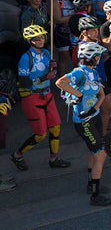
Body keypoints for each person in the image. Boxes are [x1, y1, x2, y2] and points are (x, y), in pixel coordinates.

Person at [55, 42, 111, 206]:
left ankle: (90, 184)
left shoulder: (93, 72)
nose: (99, 58)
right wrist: (78, 94)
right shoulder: (79, 72)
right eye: (97, 56)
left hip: (93, 116)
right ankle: (95, 195)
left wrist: (95, 107)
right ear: (91, 57)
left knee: (92, 152)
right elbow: (60, 82)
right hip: (83, 122)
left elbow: (100, 93)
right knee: (101, 155)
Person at [10, 25, 70, 172]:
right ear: (30, 41)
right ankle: (17, 155)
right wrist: (44, 76)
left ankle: (54, 159)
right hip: (31, 97)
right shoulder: (25, 59)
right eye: (37, 38)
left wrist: (54, 68)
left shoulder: (46, 53)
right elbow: (23, 82)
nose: (41, 40)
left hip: (47, 94)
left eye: (42, 37)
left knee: (55, 128)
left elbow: (51, 73)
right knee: (41, 133)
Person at [73, 16, 111, 134]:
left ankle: (103, 135)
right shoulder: (81, 47)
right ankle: (99, 137)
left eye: (97, 30)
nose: (97, 33)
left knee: (108, 108)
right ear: (85, 32)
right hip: (91, 83)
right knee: (95, 112)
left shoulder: (96, 42)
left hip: (101, 80)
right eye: (93, 30)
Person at [53, 0, 76, 76]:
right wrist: (74, 16)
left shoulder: (74, 1)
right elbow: (57, 19)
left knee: (75, 56)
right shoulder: (57, 2)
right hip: (61, 33)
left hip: (72, 32)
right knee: (63, 58)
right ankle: (61, 81)